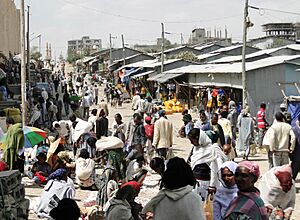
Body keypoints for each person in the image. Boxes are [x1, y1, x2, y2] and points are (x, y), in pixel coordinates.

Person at [187, 128, 219, 200]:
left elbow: (214, 169)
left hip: (206, 185)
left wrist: (212, 186)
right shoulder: (195, 149)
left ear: (198, 138)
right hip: (195, 183)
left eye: (192, 140)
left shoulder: (210, 150)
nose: (191, 142)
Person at [291, 114, 300, 179]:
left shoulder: (294, 129)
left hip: (296, 155)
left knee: (293, 173)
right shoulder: (294, 129)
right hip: (296, 156)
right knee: (293, 174)